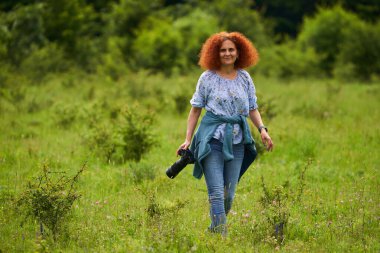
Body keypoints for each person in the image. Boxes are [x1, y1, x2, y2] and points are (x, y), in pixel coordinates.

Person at [177, 32, 273, 235]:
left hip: (238, 140)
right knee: (217, 193)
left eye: (231, 49)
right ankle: (222, 238)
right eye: (223, 50)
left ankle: (214, 229)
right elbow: (195, 110)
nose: (227, 53)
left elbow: (252, 108)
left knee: (229, 195)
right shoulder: (207, 78)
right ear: (215, 53)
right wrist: (187, 140)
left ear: (238, 52)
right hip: (212, 140)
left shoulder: (245, 77)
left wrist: (262, 130)